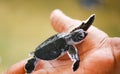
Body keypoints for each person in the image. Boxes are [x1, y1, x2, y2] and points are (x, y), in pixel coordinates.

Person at [4, 9, 120, 74]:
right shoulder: (69, 46)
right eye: (80, 37)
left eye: (82, 36)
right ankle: (33, 61)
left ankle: (34, 59)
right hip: (45, 51)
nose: (83, 36)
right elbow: (74, 52)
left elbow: (78, 35)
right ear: (74, 37)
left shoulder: (69, 41)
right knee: (35, 59)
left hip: (51, 46)